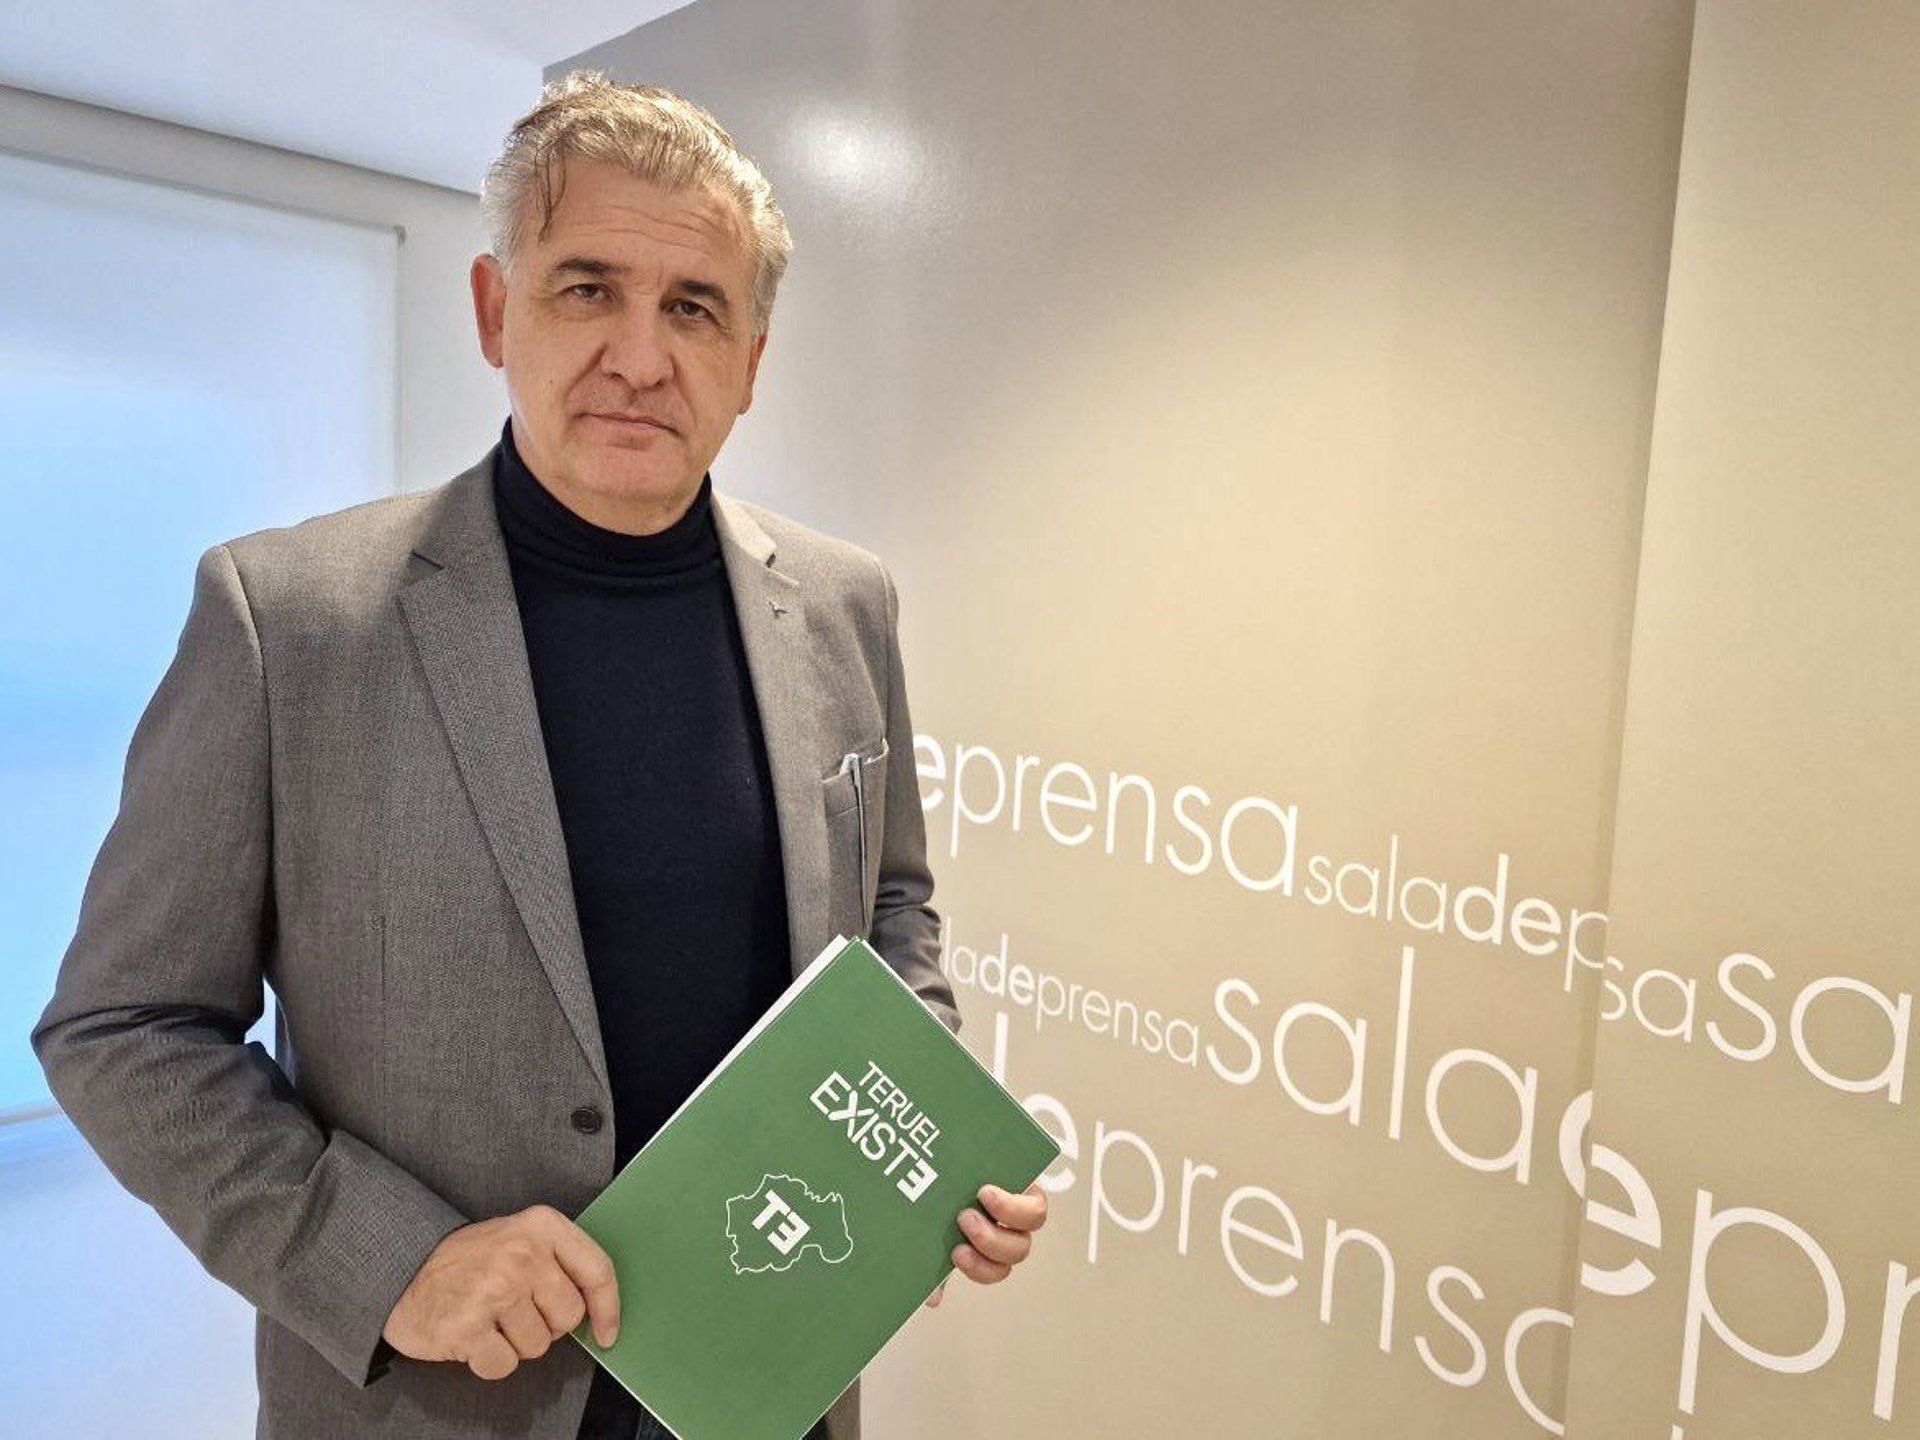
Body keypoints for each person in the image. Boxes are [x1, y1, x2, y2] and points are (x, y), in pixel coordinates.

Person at [31, 70, 1046, 1440]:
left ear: (752, 359)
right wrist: (388, 1264)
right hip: (446, 1404)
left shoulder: (843, 603)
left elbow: (891, 908)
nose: (641, 355)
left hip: (769, 1384)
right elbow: (124, 1029)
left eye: (694, 307)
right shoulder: (289, 620)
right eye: (587, 288)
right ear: (495, 311)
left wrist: (920, 1143)